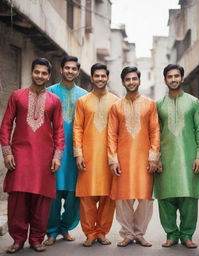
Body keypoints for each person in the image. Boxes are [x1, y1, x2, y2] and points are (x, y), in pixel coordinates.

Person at [0, 58, 64, 253]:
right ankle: (18, 239)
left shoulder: (54, 100)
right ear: (31, 72)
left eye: (44, 73)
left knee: (41, 201)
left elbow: (59, 131)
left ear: (49, 76)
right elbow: (6, 125)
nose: (40, 76)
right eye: (37, 72)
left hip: (44, 159)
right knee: (17, 199)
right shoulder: (17, 96)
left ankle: (36, 239)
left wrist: (57, 157)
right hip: (19, 156)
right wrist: (7, 152)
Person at [154, 64, 199, 249]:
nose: (174, 79)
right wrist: (155, 158)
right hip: (166, 160)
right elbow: (155, 133)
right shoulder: (158, 104)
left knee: (189, 199)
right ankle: (171, 234)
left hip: (189, 158)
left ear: (182, 78)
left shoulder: (193, 102)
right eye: (170, 76)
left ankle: (186, 235)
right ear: (165, 80)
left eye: (177, 76)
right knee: (165, 198)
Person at [108, 66, 160, 247]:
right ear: (123, 82)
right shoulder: (116, 106)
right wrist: (112, 159)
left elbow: (155, 131)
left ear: (139, 80)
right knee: (123, 198)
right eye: (128, 79)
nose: (131, 82)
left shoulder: (150, 104)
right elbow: (111, 134)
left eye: (134, 79)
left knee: (145, 198)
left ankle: (140, 233)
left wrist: (154, 157)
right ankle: (128, 234)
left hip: (144, 159)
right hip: (122, 159)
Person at [44, 56, 87, 246]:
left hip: (77, 154)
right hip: (54, 153)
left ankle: (65, 227)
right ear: (61, 70)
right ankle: (52, 231)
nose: (70, 71)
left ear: (78, 72)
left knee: (73, 196)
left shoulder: (85, 96)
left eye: (73, 69)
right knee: (53, 194)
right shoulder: (49, 93)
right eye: (66, 68)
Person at [73, 63, 118, 247]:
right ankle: (90, 233)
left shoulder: (116, 101)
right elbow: (77, 128)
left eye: (103, 76)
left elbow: (119, 131)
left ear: (107, 78)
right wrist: (78, 154)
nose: (100, 79)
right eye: (96, 76)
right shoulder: (83, 101)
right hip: (88, 156)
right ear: (91, 78)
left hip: (109, 157)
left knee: (108, 197)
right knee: (87, 197)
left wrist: (116, 157)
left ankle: (102, 232)